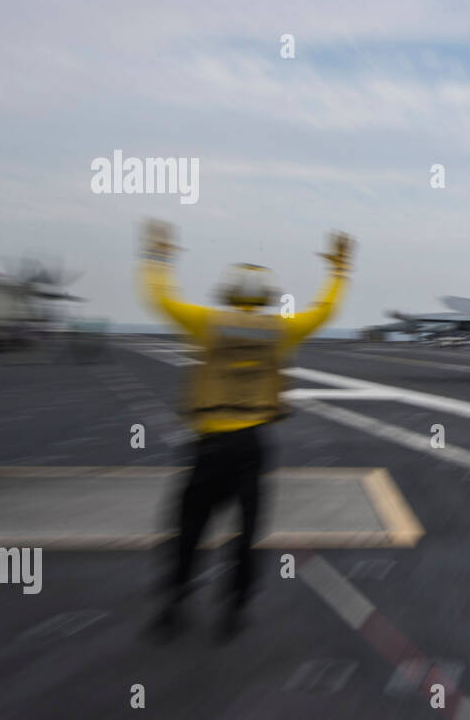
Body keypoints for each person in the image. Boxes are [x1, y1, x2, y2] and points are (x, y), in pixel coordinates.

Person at [138, 219, 354, 640]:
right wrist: (339, 270)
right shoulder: (282, 330)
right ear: (267, 297)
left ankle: (174, 605)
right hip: (251, 445)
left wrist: (158, 256)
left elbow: (160, 298)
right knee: (248, 531)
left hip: (209, 445)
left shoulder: (207, 323)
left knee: (189, 528)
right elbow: (326, 310)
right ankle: (234, 612)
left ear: (229, 293)